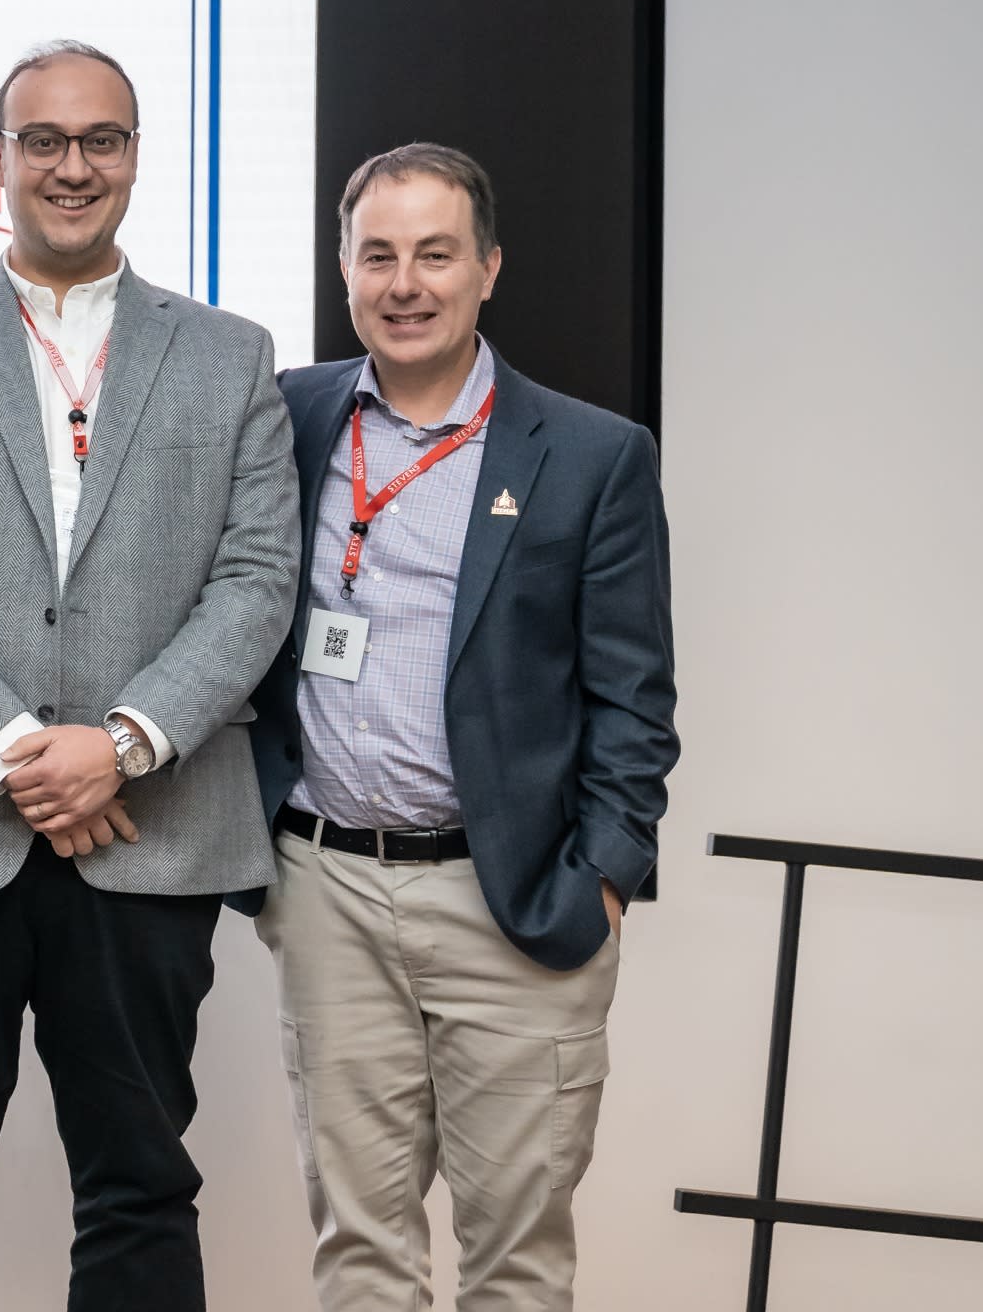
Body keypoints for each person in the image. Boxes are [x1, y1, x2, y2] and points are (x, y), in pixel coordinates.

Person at [0, 39, 300, 1312]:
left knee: (141, 1184)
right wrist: (25, 755)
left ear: (134, 156)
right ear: (0, 157)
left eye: (102, 140)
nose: (73, 167)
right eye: (44, 141)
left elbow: (255, 581)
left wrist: (123, 741)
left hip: (152, 833)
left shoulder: (231, 354)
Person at [246, 143, 679, 1310]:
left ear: (488, 267)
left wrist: (605, 872)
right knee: (360, 1248)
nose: (406, 282)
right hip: (329, 887)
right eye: (378, 254)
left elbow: (635, 698)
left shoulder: (592, 455)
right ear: (344, 269)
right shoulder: (287, 418)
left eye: (436, 254)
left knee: (517, 1258)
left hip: (514, 897)